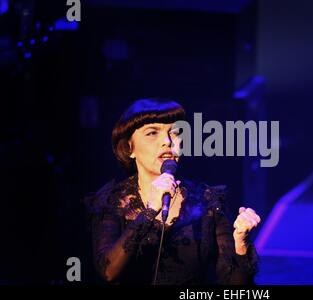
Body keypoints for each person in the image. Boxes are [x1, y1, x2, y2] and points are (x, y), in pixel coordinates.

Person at [84, 98, 261, 284]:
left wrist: (240, 242)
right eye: (152, 133)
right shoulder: (112, 201)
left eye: (175, 133)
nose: (167, 142)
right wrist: (149, 211)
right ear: (129, 148)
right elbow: (108, 272)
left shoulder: (208, 201)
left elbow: (235, 287)